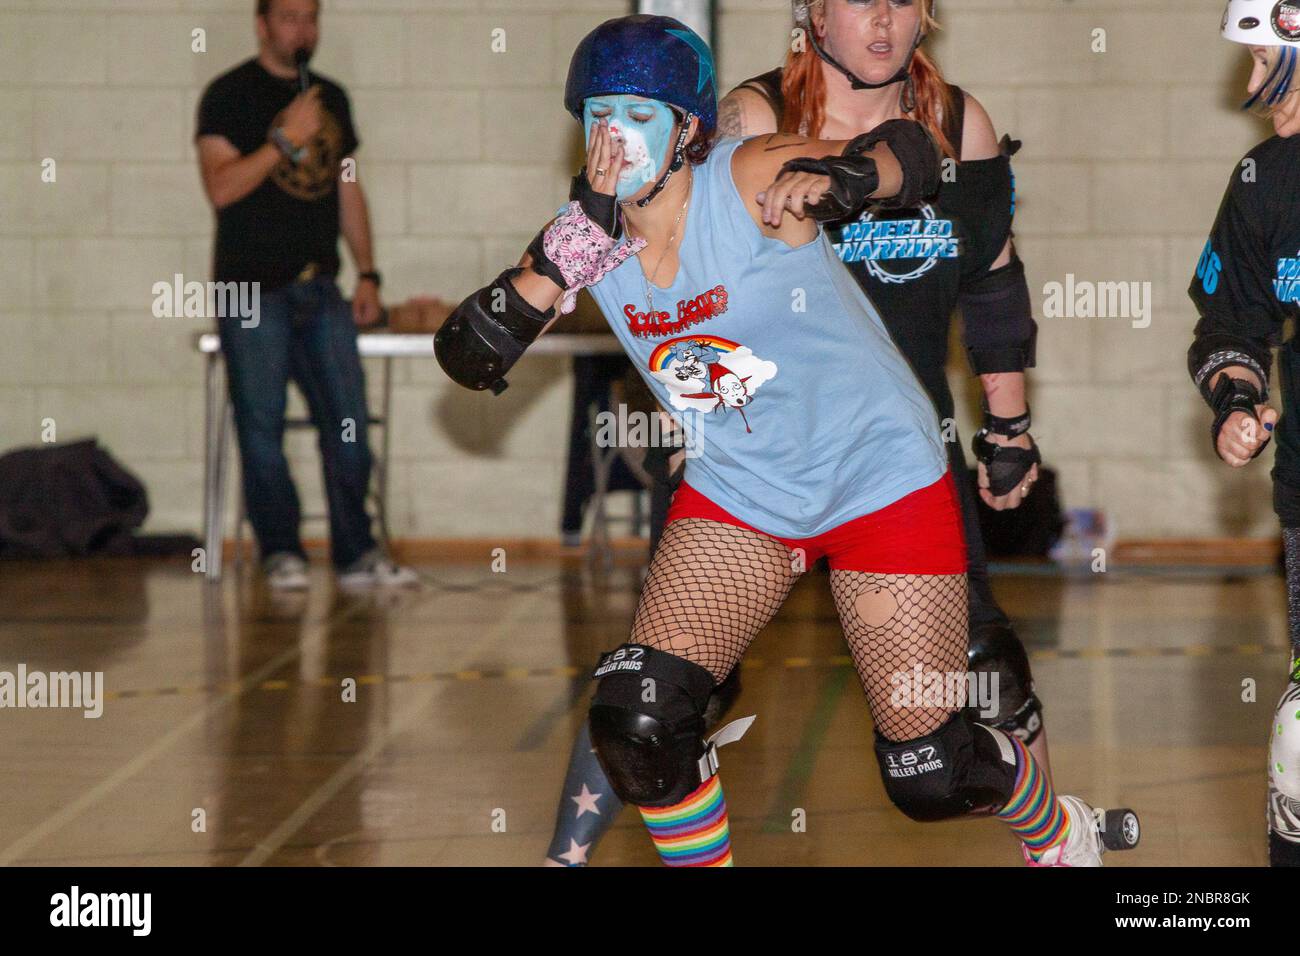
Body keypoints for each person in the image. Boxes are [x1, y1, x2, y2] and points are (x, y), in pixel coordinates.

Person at [439, 14, 1136, 866]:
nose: (615, 138)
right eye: (599, 115)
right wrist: (563, 254)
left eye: (640, 114)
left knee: (928, 771)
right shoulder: (585, 242)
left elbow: (914, 151)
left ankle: (1057, 827)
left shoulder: (746, 174)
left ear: (689, 127)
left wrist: (845, 179)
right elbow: (469, 356)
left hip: (880, 478)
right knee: (641, 717)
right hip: (743, 494)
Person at [195, 0, 416, 590]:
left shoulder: (331, 98)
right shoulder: (227, 95)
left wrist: (368, 273)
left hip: (321, 287)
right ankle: (281, 551)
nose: (304, 30)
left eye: (311, 18)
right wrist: (283, 140)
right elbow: (221, 187)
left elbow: (347, 189)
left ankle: (356, 553)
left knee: (348, 424)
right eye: (290, 17)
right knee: (261, 428)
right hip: (251, 290)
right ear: (262, 23)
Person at [1186, 0, 1300, 867]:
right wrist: (1236, 397)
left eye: (1264, 61)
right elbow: (1228, 322)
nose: (1254, 88)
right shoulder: (1265, 177)